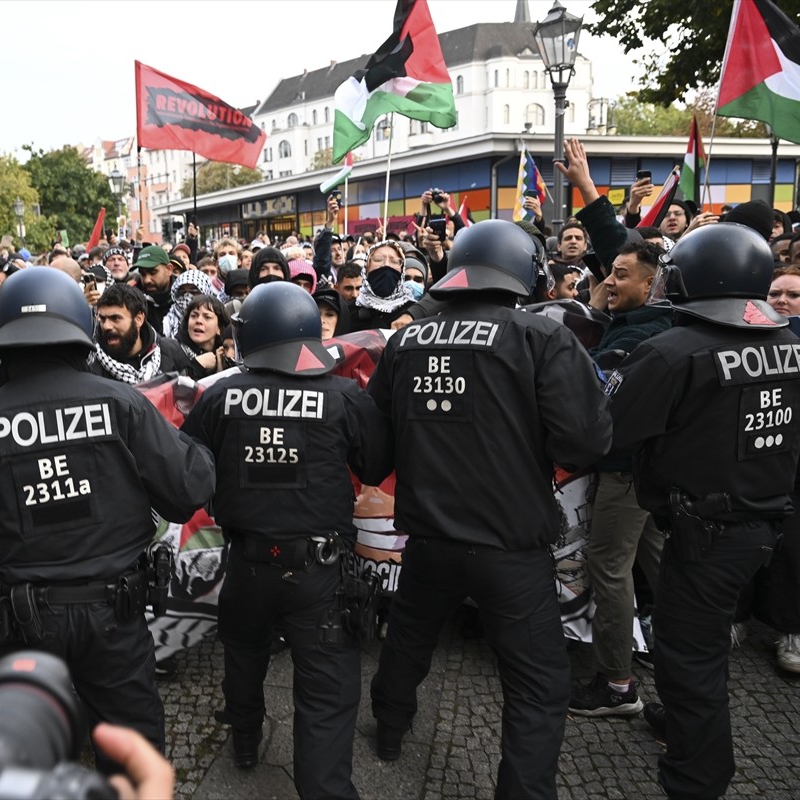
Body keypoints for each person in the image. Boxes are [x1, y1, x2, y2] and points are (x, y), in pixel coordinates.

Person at [0, 267, 215, 767]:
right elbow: (190, 489)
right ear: (80, 330)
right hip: (114, 617)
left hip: (19, 622)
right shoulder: (123, 405)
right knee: (133, 763)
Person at [368, 219, 612, 800]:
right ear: (525, 272)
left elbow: (374, 450)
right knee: (536, 683)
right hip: (511, 546)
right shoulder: (543, 337)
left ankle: (390, 728)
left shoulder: (405, 342)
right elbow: (584, 442)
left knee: (409, 640)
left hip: (429, 539)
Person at [604, 223, 800, 800]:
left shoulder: (672, 351)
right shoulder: (792, 344)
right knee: (696, 642)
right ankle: (679, 721)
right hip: (759, 523)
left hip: (705, 530)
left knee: (688, 657)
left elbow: (609, 430)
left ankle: (696, 779)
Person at [181, 282, 392, 800]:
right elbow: (375, 466)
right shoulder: (343, 396)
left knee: (243, 656)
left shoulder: (220, 396)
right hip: (320, 573)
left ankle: (245, 739)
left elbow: (189, 470)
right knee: (325, 696)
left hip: (247, 564)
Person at [569, 241, 671, 718]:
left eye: (622, 275)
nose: (610, 280)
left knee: (609, 567)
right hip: (648, 471)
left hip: (625, 472)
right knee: (661, 565)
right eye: (610, 271)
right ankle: (681, 662)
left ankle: (616, 685)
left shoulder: (639, 336)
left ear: (651, 285)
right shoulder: (640, 323)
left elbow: (587, 388)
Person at [732, 266, 800, 673]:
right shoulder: (744, 337)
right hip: (753, 463)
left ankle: (790, 630)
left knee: (798, 555)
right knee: (742, 548)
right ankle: (736, 618)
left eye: (793, 295)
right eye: (774, 293)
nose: (781, 300)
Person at [91, 283, 188, 385]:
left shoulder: (170, 351)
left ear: (139, 319)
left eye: (115, 318)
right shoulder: (91, 363)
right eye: (102, 319)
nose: (106, 326)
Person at [348, 240, 417, 331]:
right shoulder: (349, 312)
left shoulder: (412, 311)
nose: (386, 265)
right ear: (366, 268)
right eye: (378, 260)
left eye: (394, 261)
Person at [176, 293, 231, 379]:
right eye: (194, 316)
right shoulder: (173, 351)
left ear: (219, 328)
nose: (199, 321)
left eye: (207, 317)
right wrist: (196, 366)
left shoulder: (227, 354)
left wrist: (220, 372)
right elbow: (169, 385)